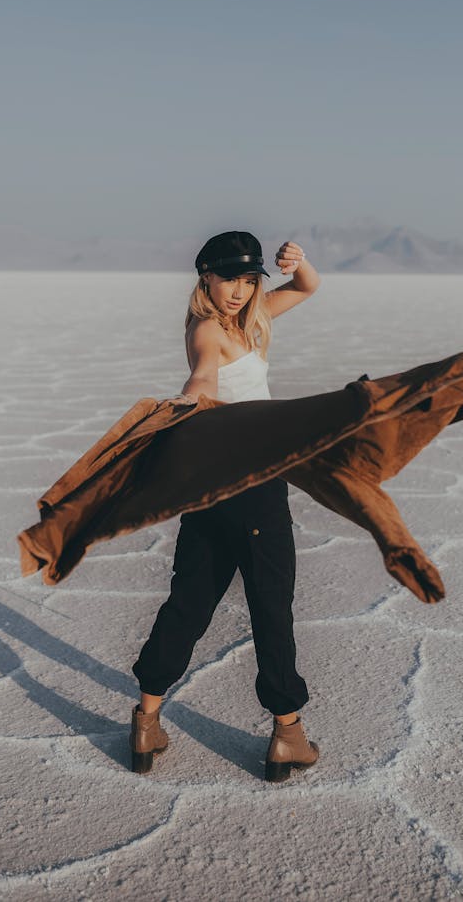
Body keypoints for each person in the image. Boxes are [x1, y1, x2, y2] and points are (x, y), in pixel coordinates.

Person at [130, 230, 322, 782]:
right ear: (204, 277)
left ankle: (146, 721)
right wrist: (189, 399)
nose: (237, 290)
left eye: (248, 280)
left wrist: (298, 262)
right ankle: (287, 735)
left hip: (208, 486)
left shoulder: (251, 318)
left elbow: (306, 288)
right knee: (269, 606)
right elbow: (203, 373)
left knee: (188, 602)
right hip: (253, 486)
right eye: (227, 278)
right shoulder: (210, 330)